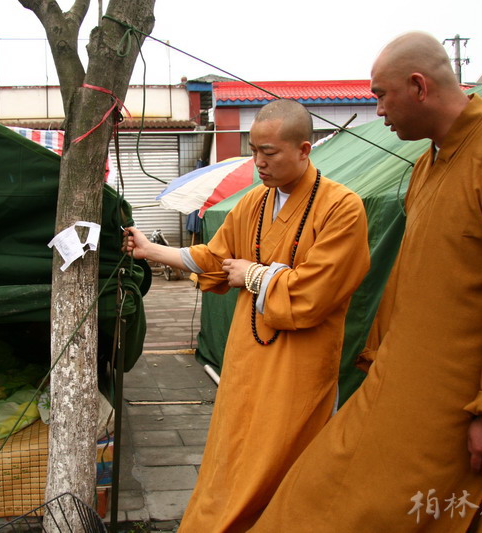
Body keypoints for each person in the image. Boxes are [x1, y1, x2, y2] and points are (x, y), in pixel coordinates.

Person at [251, 31, 482, 533]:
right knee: (308, 499)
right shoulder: (425, 166)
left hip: (461, 407)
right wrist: (376, 356)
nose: (378, 110)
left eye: (380, 95)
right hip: (393, 384)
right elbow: (409, 275)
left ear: (418, 86)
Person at [124, 99, 370, 532]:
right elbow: (213, 258)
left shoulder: (341, 207)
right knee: (232, 456)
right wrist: (151, 250)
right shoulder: (254, 202)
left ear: (304, 150)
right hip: (246, 356)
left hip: (300, 367)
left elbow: (317, 292)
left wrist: (255, 275)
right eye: (253, 150)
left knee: (288, 466)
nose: (258, 162)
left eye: (269, 152)